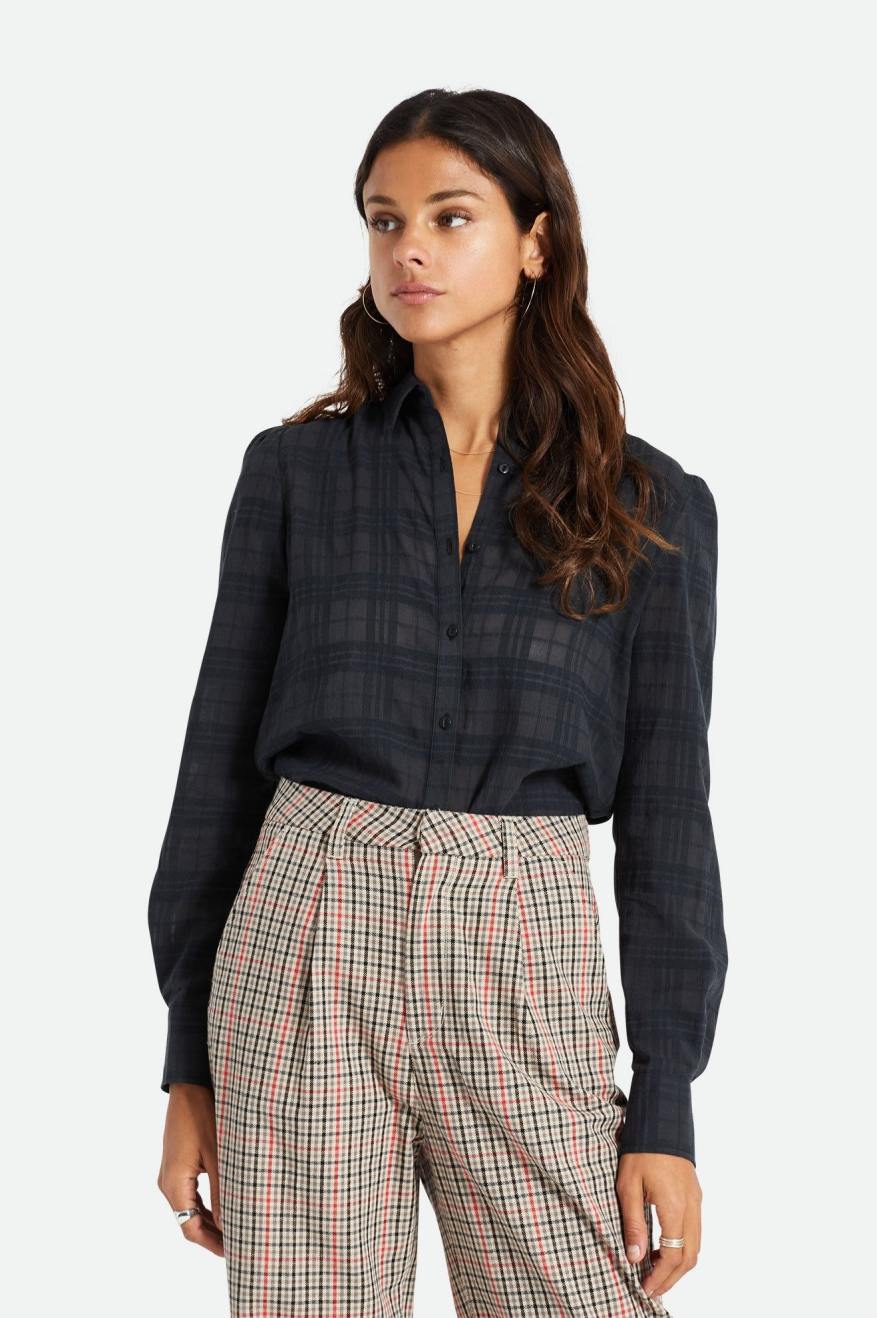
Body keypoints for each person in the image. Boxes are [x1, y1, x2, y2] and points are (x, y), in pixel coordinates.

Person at [148, 87, 728, 1318]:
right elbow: (216, 772)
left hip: (524, 948)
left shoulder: (649, 507)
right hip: (303, 934)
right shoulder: (297, 474)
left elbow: (671, 823)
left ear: (536, 242)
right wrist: (185, 1059)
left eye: (450, 217)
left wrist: (665, 1102)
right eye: (384, 220)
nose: (408, 249)